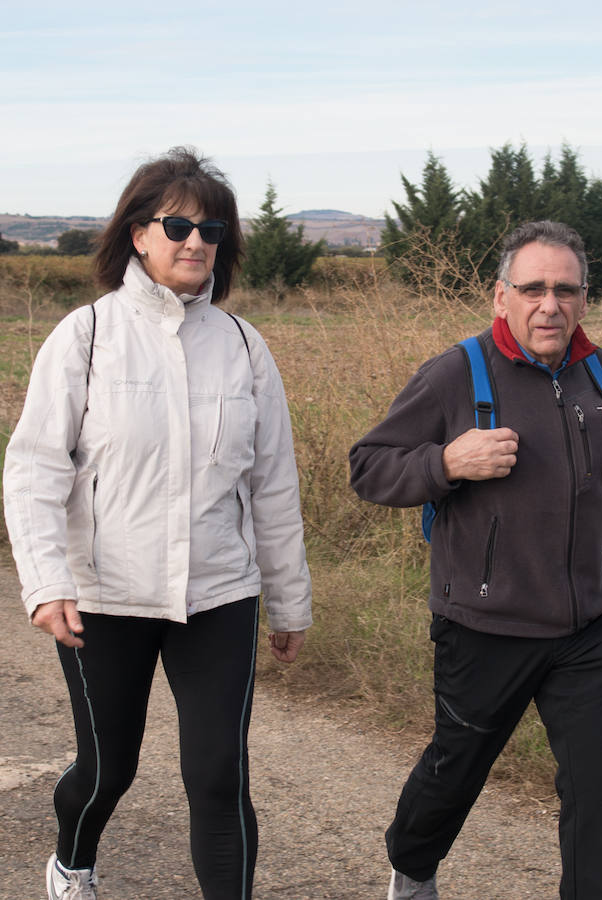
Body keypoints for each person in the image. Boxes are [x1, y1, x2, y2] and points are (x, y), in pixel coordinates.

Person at [3, 147, 312, 900]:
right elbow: (35, 467)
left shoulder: (243, 347)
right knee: (109, 768)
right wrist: (45, 584)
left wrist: (289, 598)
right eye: (177, 224)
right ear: (138, 234)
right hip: (104, 597)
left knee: (217, 776)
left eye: (211, 229)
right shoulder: (87, 336)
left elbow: (271, 483)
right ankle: (72, 861)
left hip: (218, 594)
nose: (195, 240)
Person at [349, 220, 602, 900]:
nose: (550, 305)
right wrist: (445, 461)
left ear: (583, 298)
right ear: (499, 295)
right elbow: (367, 468)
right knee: (457, 767)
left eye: (565, 290)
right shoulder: (457, 372)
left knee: (599, 795)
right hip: (485, 625)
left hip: (586, 627)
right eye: (533, 288)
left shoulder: (595, 369)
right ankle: (412, 862)